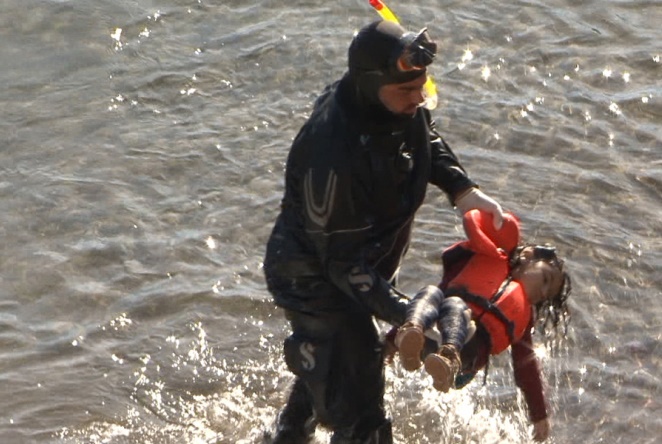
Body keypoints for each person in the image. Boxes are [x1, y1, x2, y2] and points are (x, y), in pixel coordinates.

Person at [263, 20, 505, 444]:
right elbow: (341, 264)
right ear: (370, 83)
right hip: (315, 281)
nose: (418, 100)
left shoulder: (391, 105)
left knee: (332, 370)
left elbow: (423, 134)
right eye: (407, 93)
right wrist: (408, 315)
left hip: (365, 263)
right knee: (360, 406)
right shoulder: (332, 156)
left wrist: (462, 190)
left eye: (422, 89)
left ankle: (285, 435)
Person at [392, 209, 572, 442]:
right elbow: (440, 293)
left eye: (548, 294)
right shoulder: (484, 261)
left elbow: (526, 368)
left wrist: (539, 416)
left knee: (456, 305)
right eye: (545, 279)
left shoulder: (524, 319)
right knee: (431, 293)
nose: (544, 292)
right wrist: (390, 341)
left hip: (462, 360)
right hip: (432, 335)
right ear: (526, 256)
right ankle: (410, 332)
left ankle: (447, 355)